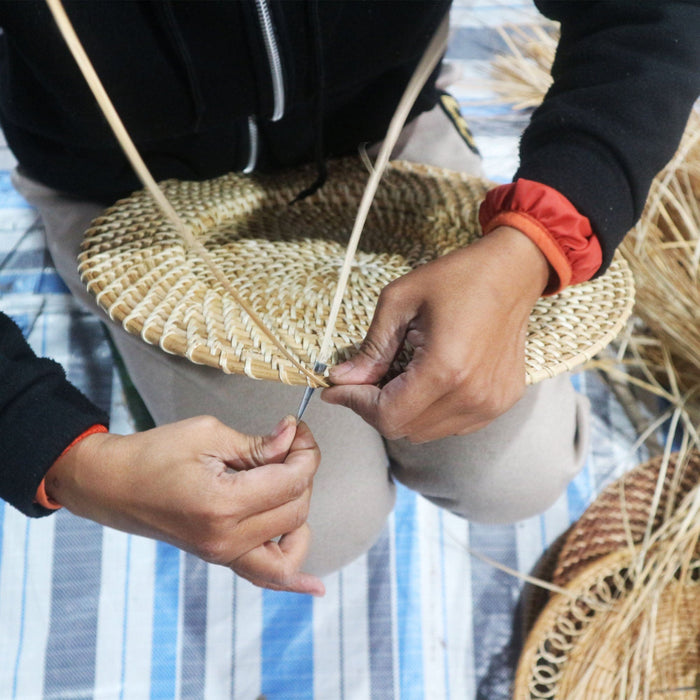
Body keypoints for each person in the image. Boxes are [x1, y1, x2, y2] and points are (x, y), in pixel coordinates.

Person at [1, 0, 699, 580]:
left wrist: (537, 238)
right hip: (121, 182)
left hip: (383, 135)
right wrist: (61, 452)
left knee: (518, 477)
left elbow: (649, 15)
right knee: (319, 524)